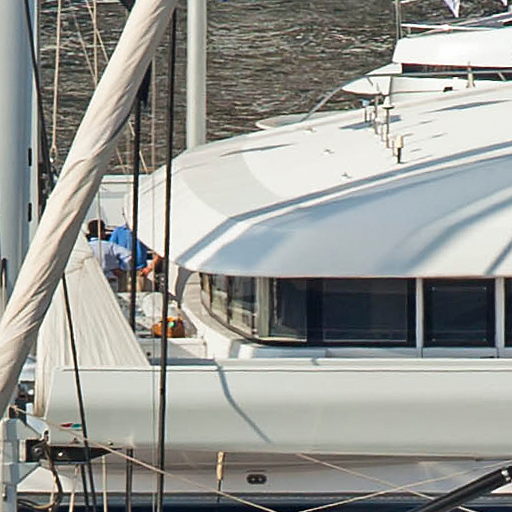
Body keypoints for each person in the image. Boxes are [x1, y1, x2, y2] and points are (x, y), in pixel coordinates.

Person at [87, 219, 131, 290]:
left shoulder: (85, 248)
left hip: (90, 281)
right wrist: (122, 268)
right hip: (109, 280)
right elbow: (128, 256)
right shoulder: (110, 246)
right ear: (101, 232)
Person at [109, 222, 150, 291]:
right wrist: (115, 267)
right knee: (122, 293)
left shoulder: (143, 231)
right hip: (122, 270)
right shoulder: (118, 231)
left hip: (139, 270)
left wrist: (149, 268)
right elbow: (111, 249)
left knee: (140, 294)